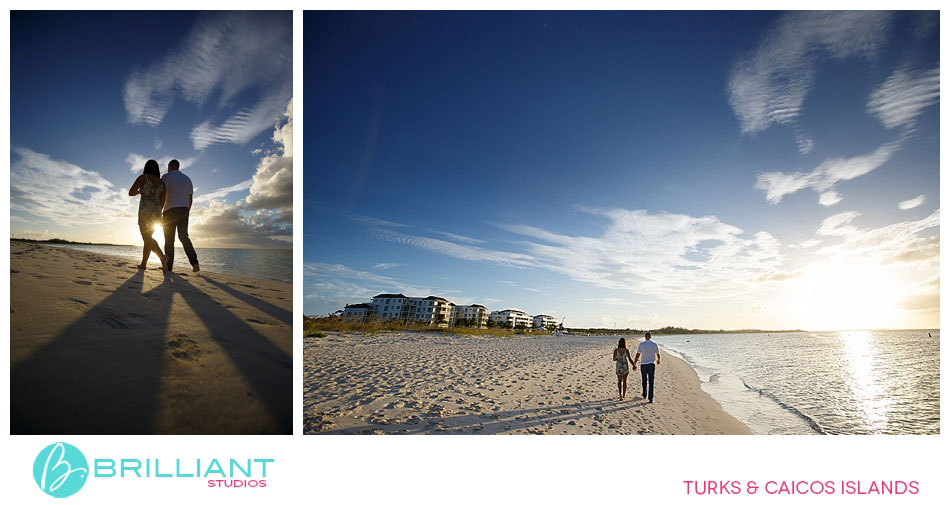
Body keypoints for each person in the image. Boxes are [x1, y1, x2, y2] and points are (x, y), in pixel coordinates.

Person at [128, 159, 169, 273]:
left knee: (146, 238)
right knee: (148, 238)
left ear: (146, 168)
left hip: (145, 211)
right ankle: (147, 263)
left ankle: (160, 258)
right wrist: (157, 210)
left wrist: (140, 192)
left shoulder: (143, 178)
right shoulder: (162, 183)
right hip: (156, 213)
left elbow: (131, 192)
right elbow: (163, 200)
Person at [161, 159, 200, 273]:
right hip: (184, 209)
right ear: (178, 167)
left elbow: (163, 194)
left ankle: (168, 267)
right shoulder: (187, 179)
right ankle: (195, 263)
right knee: (183, 237)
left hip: (170, 210)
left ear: (169, 167)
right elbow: (190, 199)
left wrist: (160, 209)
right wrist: (187, 210)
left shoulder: (166, 177)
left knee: (169, 240)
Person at [632, 332, 660, 403]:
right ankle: (650, 398)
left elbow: (638, 355)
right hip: (651, 364)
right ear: (651, 337)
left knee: (644, 380)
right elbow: (658, 354)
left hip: (644, 364)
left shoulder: (642, 344)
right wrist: (658, 360)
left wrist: (634, 363)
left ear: (645, 337)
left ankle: (644, 394)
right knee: (651, 381)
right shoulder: (654, 344)